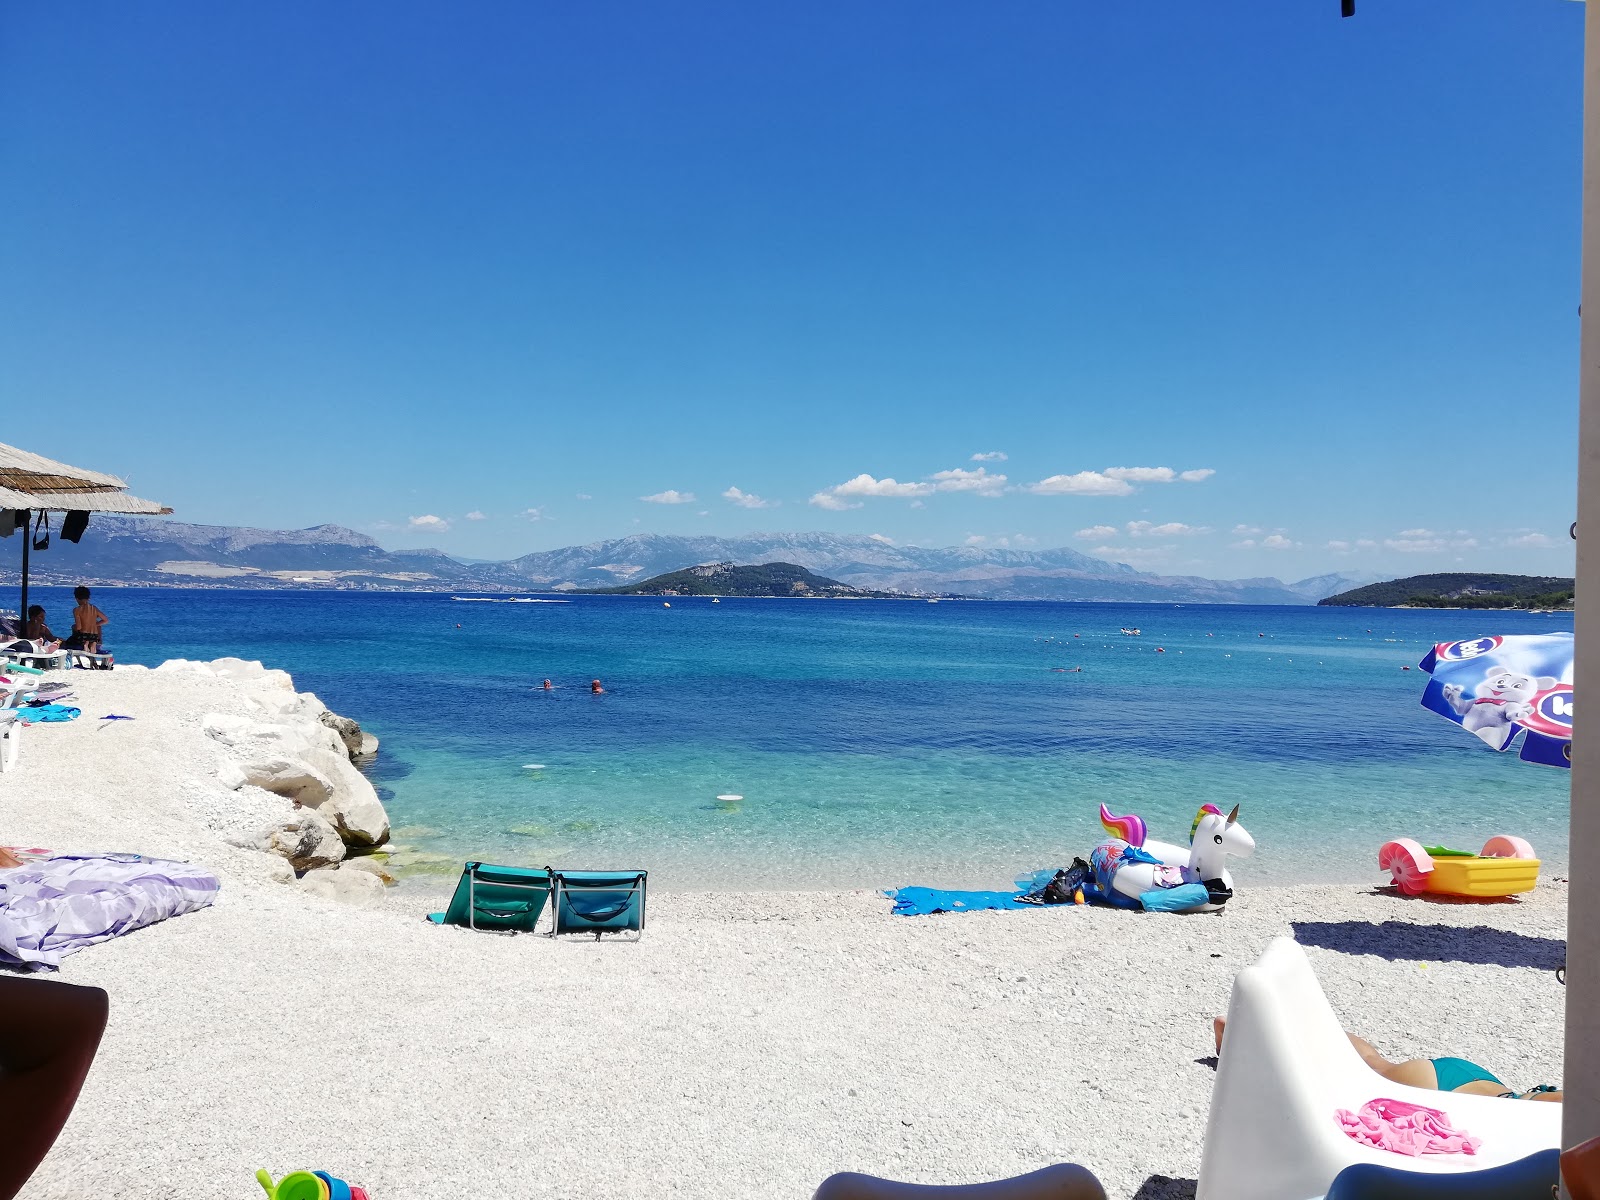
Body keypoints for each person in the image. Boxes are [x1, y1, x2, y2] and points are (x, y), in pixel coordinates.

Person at [1212, 1017, 1560, 1101]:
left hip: (1481, 1082)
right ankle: (1249, 1031)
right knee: (1368, 1065)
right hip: (1444, 1093)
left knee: (1373, 1061)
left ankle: (1262, 1024)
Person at [62, 586, 106, 654]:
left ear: (76, 598)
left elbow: (79, 627)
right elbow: (105, 620)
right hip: (94, 637)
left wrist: (74, 627)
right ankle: (92, 658)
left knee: (65, 643)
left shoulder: (77, 610)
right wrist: (94, 624)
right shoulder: (94, 608)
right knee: (92, 643)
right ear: (88, 598)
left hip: (83, 637)